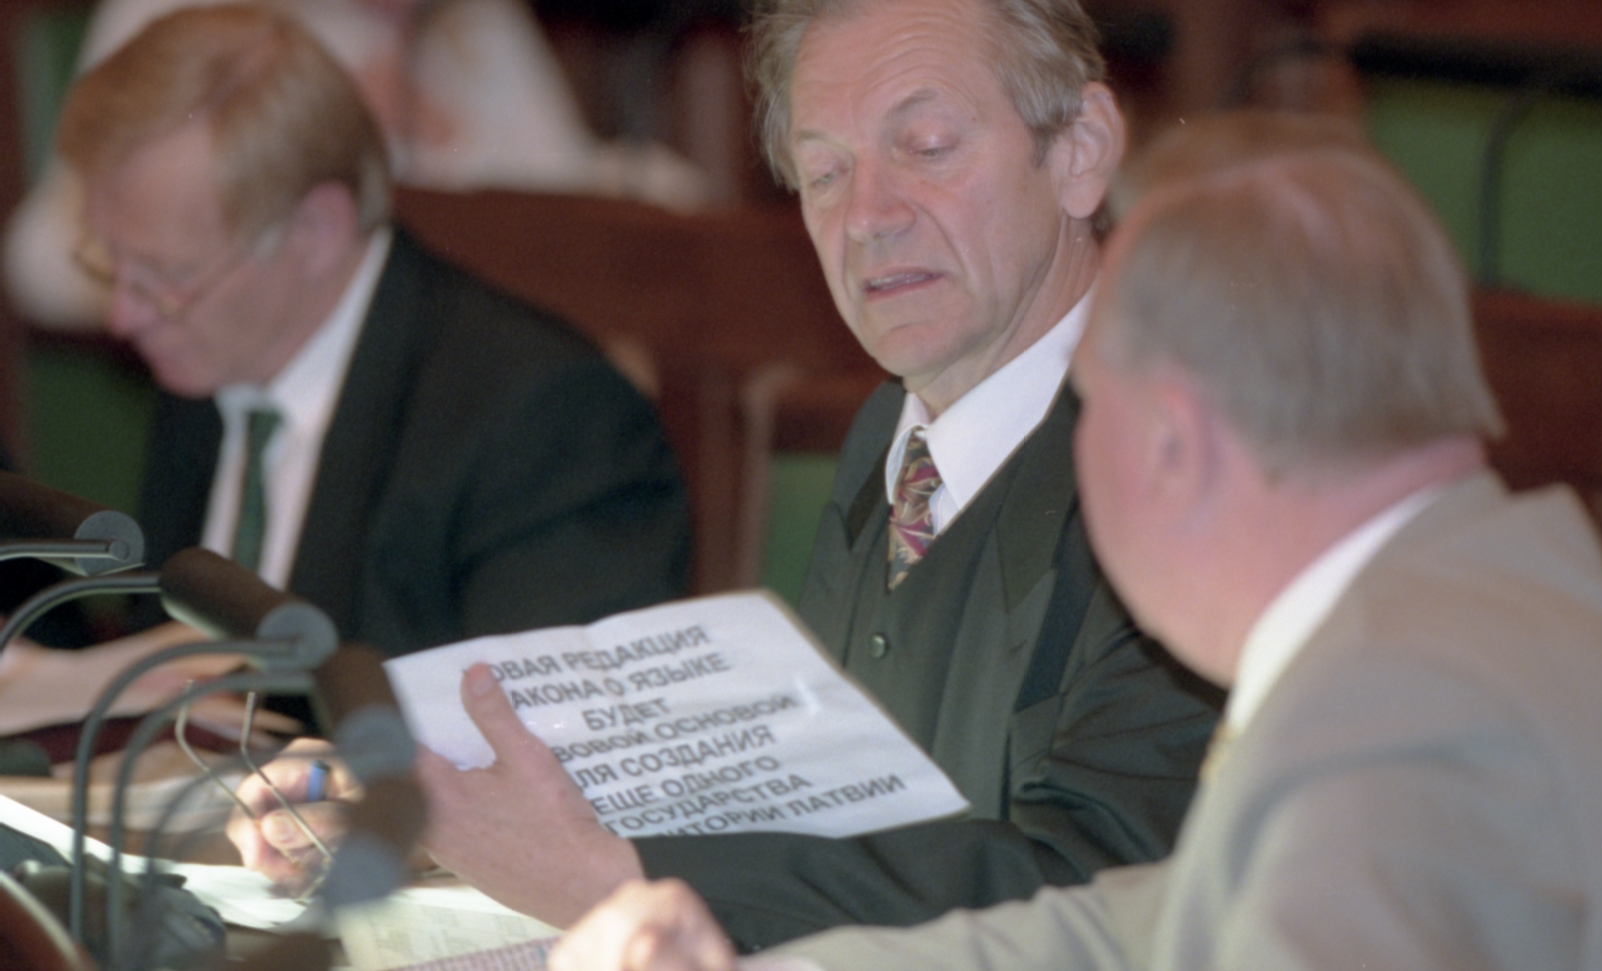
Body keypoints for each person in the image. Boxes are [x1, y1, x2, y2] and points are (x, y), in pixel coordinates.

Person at [547, 112, 1602, 971]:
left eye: (1085, 407)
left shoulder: (1392, 719)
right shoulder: (1511, 593)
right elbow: (1140, 928)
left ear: (1170, 440)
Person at [227, 0, 1220, 949]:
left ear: (1081, 151)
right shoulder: (893, 436)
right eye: (823, 172)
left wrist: (623, 876)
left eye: (926, 147)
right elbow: (838, 808)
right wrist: (437, 797)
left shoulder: (1199, 460)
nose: (867, 216)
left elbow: (1105, 887)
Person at [54, 6, 690, 659]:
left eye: (165, 275)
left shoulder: (545, 425)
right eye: (110, 262)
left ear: (316, 232)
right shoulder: (206, 351)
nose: (124, 316)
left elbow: (531, 719)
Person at [6, 0, 707, 328]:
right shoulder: (196, 17)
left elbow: (562, 191)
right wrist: (178, 278)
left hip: (477, 375)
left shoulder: (475, 20)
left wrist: (663, 192)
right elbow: (40, 260)